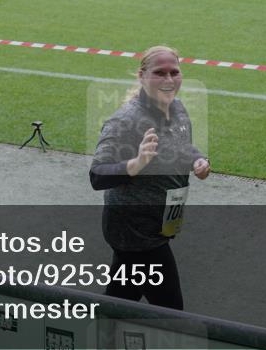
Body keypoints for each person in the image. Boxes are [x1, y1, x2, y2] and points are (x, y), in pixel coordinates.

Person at [89, 45, 211, 310]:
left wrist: (198, 160)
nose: (168, 80)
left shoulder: (177, 108)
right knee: (171, 312)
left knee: (120, 301)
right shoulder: (125, 121)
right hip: (135, 233)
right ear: (142, 76)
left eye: (174, 72)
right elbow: (97, 175)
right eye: (159, 73)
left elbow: (180, 146)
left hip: (158, 225)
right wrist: (136, 163)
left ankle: (99, 344)